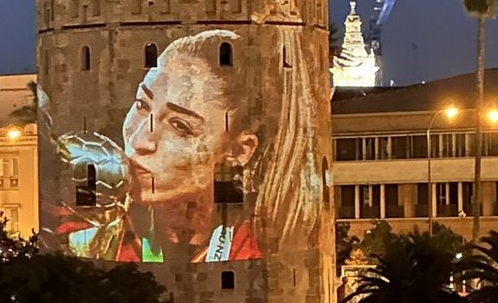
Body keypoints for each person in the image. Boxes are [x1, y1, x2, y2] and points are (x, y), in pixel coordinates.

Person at [56, 27, 321, 264]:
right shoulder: (79, 232)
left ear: (239, 151)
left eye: (179, 126)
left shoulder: (263, 245)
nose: (139, 140)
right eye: (141, 105)